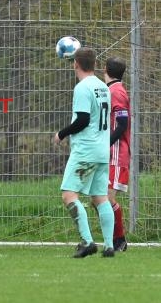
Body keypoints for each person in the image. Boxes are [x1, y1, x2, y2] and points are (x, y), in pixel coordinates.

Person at [53, 48, 115, 258]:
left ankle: (88, 241)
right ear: (95, 64)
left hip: (86, 150)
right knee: (100, 197)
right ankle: (109, 246)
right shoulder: (103, 87)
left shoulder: (82, 88)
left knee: (69, 194)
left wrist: (61, 134)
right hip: (102, 150)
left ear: (75, 64)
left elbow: (82, 120)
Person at [104, 57, 131, 251]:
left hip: (115, 154)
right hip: (108, 154)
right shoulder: (111, 90)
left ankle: (119, 239)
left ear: (105, 70)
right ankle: (114, 238)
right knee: (98, 199)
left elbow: (122, 124)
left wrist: (106, 144)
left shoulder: (117, 92)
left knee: (107, 198)